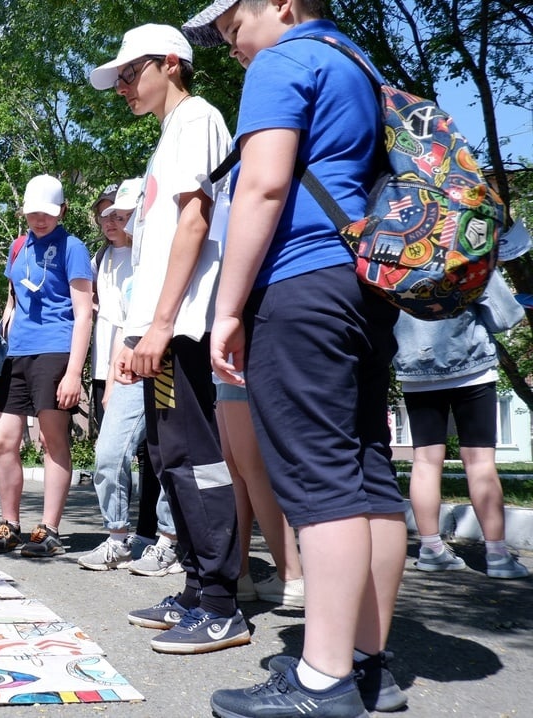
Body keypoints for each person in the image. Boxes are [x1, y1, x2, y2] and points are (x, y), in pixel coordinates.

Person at [184, 0, 410, 713]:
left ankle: (323, 678)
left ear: (281, 4)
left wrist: (227, 308)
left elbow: (265, 183)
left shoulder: (285, 60)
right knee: (368, 471)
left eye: (233, 28)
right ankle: (367, 665)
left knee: (320, 479)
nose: (232, 46)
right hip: (362, 285)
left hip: (302, 282)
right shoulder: (357, 62)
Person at [89, 23, 245, 656]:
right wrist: (134, 331)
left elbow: (196, 220)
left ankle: (221, 604)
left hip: (186, 325)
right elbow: (151, 250)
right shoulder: (166, 138)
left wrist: (159, 325)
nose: (123, 86)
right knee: (167, 455)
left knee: (195, 457)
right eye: (120, 78)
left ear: (171, 64)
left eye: (131, 72)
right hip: (161, 326)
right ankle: (193, 586)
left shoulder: (198, 118)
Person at [395, 261, 529, 580]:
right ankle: (497, 556)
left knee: (425, 462)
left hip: (415, 369)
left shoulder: (389, 252)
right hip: (472, 366)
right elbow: (505, 314)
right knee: (480, 462)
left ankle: (431, 549)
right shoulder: (465, 246)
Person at [0, 174, 93, 559]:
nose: (39, 219)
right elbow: (14, 299)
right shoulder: (17, 247)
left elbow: (83, 314)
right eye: (32, 213)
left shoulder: (73, 247)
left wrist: (74, 371)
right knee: (2, 440)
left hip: (56, 350)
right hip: (17, 353)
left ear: (62, 211)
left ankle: (50, 528)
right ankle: (9, 524)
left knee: (52, 439)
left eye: (47, 213)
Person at [77, 179, 180, 574]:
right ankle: (117, 538)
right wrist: (109, 375)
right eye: (112, 215)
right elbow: (122, 322)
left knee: (169, 454)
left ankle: (169, 540)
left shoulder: (170, 247)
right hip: (131, 366)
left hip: (172, 358)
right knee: (109, 451)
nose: (118, 220)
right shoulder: (120, 261)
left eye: (125, 213)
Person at [216, 381, 305, 605]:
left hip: (240, 365)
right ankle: (238, 573)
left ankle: (290, 575)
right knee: (235, 470)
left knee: (252, 469)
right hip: (227, 369)